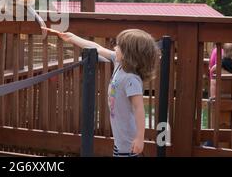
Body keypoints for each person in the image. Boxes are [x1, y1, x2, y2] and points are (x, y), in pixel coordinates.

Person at [43, 27, 159, 157]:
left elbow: (139, 109)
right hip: (120, 138)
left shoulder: (131, 79)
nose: (115, 47)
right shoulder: (119, 62)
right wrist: (72, 38)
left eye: (119, 46)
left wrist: (139, 138)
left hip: (128, 141)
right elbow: (96, 47)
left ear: (129, 54)